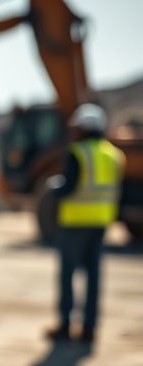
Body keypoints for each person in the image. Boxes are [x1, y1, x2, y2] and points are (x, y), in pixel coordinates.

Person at [46, 103, 124, 343]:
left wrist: (54, 188)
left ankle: (65, 325)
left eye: (77, 128)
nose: (74, 132)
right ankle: (89, 328)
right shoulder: (114, 155)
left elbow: (68, 186)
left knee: (68, 275)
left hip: (75, 221)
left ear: (85, 128)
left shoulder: (78, 152)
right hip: (100, 222)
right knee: (93, 277)